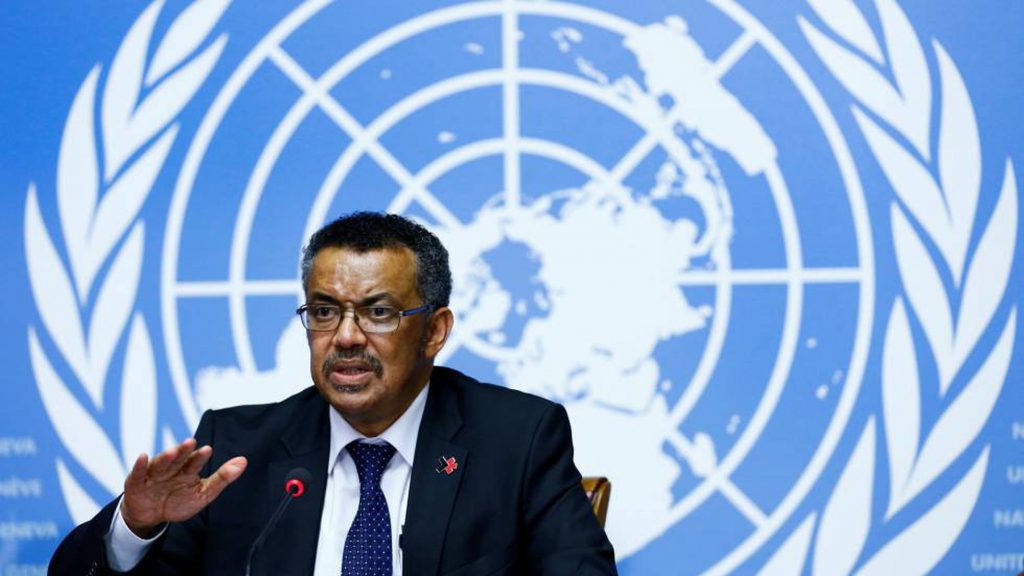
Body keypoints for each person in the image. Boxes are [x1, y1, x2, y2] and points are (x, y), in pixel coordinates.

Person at [48, 212, 616, 575]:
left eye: (378, 312)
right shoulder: (238, 450)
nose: (345, 337)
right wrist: (136, 527)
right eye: (324, 312)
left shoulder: (516, 441)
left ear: (434, 331)